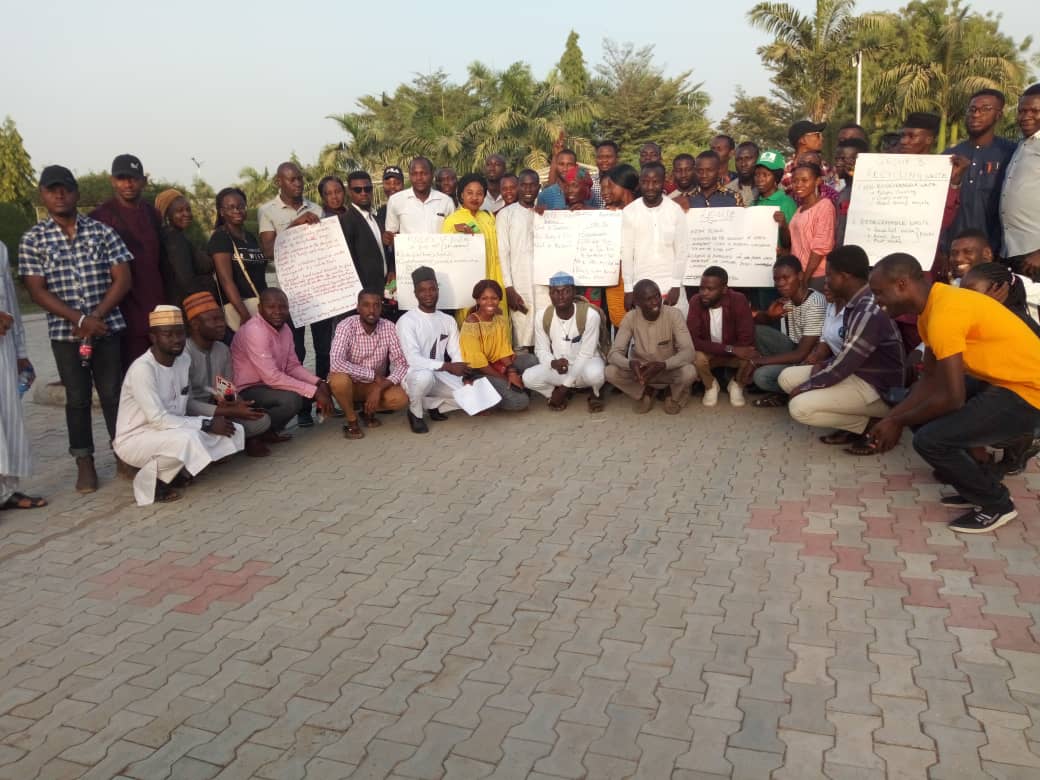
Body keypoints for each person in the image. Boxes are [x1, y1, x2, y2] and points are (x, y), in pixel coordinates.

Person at [867, 253, 1040, 533]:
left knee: (930, 440)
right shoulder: (933, 308)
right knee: (920, 413)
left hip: (1029, 393)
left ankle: (996, 505)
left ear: (901, 284)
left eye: (878, 293)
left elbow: (952, 398)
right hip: (1005, 383)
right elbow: (930, 380)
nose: (877, 301)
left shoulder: (944, 315)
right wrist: (891, 419)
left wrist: (897, 421)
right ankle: (979, 483)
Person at [20, 165, 132, 494]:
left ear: (76, 193)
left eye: (66, 188)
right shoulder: (33, 239)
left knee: (113, 394)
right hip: (65, 334)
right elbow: (37, 290)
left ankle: (124, 452)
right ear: (43, 194)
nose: (60, 195)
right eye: (52, 189)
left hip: (106, 328)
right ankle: (84, 461)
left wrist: (95, 317)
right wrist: (80, 321)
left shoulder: (103, 232)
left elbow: (123, 279)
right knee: (78, 399)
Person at [777, 245, 905, 452]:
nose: (826, 281)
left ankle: (873, 424)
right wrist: (820, 371)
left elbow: (845, 364)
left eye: (829, 275)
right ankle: (860, 423)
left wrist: (810, 385)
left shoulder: (867, 309)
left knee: (799, 406)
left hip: (877, 388)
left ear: (844, 277)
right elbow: (846, 358)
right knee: (786, 378)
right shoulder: (856, 302)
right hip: (859, 373)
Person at [113, 306, 244, 506]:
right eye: (168, 334)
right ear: (153, 337)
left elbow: (185, 403)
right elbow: (158, 420)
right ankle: (151, 482)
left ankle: (173, 473)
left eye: (180, 333)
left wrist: (219, 412)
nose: (176, 340)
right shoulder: (143, 369)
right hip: (136, 438)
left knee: (232, 429)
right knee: (189, 438)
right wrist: (206, 424)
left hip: (173, 428)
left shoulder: (183, 359)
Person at [257, 162, 325, 427]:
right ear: (279, 181)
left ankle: (324, 401)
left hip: (318, 290)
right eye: (291, 179)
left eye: (300, 179)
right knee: (295, 351)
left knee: (324, 349)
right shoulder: (268, 211)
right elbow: (268, 250)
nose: (297, 183)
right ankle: (302, 407)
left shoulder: (316, 209)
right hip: (288, 294)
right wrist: (294, 226)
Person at [90, 154, 164, 366]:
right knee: (131, 371)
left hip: (154, 303)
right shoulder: (100, 217)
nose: (128, 184)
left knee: (159, 368)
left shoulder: (152, 214)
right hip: (122, 309)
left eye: (133, 178)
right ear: (112, 181)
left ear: (144, 181)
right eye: (122, 178)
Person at [231, 288, 333, 437]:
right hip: (249, 389)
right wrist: (314, 391)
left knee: (319, 387)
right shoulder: (255, 331)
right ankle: (258, 434)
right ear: (260, 308)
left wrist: (318, 382)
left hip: (269, 385)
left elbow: (292, 366)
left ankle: (271, 431)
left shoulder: (285, 329)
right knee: (292, 400)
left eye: (283, 307)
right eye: (271, 307)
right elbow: (272, 377)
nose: (278, 312)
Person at [182, 292, 272, 457]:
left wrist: (236, 404)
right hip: (190, 418)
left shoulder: (222, 349)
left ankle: (223, 444)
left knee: (261, 420)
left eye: (222, 319)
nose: (221, 324)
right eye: (214, 320)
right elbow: (187, 405)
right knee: (196, 434)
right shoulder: (183, 354)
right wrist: (228, 412)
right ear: (195, 324)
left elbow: (226, 389)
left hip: (219, 411)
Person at [943, 89, 1017, 255]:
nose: (976, 114)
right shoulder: (949, 156)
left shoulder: (1012, 154)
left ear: (999, 115)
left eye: (985, 109)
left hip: (996, 252)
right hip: (953, 252)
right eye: (972, 109)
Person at [396, 266, 469, 433]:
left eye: (432, 289)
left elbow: (455, 352)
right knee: (425, 377)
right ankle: (415, 413)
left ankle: (433, 404)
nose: (428, 294)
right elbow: (413, 359)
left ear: (437, 290)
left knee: (470, 394)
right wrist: (448, 366)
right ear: (415, 293)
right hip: (413, 374)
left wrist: (462, 373)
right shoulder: (407, 321)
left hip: (439, 373)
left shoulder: (448, 320)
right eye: (422, 290)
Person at [328, 289, 409, 439]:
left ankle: (367, 412)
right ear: (358, 307)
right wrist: (372, 375)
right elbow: (336, 362)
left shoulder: (389, 327)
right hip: (350, 383)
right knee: (338, 381)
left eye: (376, 305)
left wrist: (380, 387)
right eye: (366, 305)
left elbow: (402, 364)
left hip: (373, 385)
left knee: (401, 397)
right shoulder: (345, 326)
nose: (372, 310)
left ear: (381, 307)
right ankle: (352, 421)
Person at [606, 279, 696, 414]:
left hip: (668, 368)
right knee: (610, 372)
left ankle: (671, 393)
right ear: (637, 303)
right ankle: (645, 391)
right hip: (642, 372)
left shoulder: (674, 314)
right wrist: (630, 364)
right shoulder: (630, 317)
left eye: (657, 296)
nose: (655, 302)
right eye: (648, 299)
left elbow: (689, 352)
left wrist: (664, 365)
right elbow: (613, 354)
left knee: (689, 372)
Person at [523, 272, 606, 412]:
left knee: (596, 374)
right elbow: (541, 349)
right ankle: (553, 395)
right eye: (555, 292)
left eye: (566, 291)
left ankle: (595, 393)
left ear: (574, 292)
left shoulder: (590, 315)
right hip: (561, 369)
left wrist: (563, 387)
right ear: (550, 294)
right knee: (528, 377)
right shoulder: (542, 316)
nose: (560, 296)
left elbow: (586, 353)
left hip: (585, 366)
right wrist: (552, 363)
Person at [749, 256, 826, 406]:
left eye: (786, 278)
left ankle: (791, 392)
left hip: (809, 359)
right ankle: (788, 387)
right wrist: (769, 316)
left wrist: (757, 362)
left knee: (761, 377)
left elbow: (801, 354)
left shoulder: (815, 303)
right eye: (776, 279)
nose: (780, 283)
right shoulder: (787, 300)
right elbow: (761, 325)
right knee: (756, 331)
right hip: (794, 349)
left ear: (800, 276)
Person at [1, 253, 44, 511]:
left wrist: (20, 352)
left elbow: (10, 302)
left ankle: (5, 491)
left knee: (7, 419)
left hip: (4, 347)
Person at [444, 174, 509, 340]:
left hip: (493, 276)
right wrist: (457, 234)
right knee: (471, 322)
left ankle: (498, 353)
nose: (474, 197)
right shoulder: (452, 220)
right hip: (467, 282)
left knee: (497, 320)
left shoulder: (488, 217)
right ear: (461, 195)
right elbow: (446, 252)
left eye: (479, 193)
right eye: (469, 193)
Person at [621, 162, 689, 315]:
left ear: (663, 182)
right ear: (639, 182)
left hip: (671, 287)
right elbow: (626, 253)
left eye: (655, 182)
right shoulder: (630, 212)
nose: (650, 187)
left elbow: (682, 251)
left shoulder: (674, 210)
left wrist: (676, 285)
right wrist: (628, 289)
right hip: (641, 288)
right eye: (645, 182)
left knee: (677, 328)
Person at [459, 279, 537, 411]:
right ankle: (487, 400)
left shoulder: (498, 318)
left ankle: (515, 386)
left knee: (531, 360)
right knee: (521, 402)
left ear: (499, 300)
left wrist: (512, 372)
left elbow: (503, 350)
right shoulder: (472, 323)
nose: (490, 302)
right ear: (477, 300)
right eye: (484, 298)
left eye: (494, 298)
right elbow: (480, 364)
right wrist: (506, 378)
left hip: (497, 364)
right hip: (479, 372)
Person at [686, 266, 755, 408]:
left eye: (710, 289)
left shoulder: (738, 300)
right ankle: (710, 386)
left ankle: (736, 385)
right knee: (695, 356)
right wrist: (729, 349)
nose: (704, 293)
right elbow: (693, 340)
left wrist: (732, 351)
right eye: (702, 288)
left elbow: (746, 339)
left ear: (724, 289)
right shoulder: (695, 301)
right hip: (714, 352)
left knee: (750, 353)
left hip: (733, 352)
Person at [208, 187, 268, 332]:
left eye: (241, 206)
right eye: (231, 207)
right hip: (240, 309)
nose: (237, 211)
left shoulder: (250, 237)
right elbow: (226, 280)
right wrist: (244, 314)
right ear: (222, 212)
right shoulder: (221, 238)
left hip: (259, 305)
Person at [498, 169, 544, 350]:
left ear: (539, 187)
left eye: (532, 185)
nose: (528, 189)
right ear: (518, 187)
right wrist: (509, 288)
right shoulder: (506, 214)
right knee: (523, 334)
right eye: (524, 185)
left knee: (544, 329)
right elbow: (503, 253)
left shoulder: (544, 213)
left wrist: (545, 215)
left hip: (543, 285)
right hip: (518, 283)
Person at [999, 83, 1040, 281]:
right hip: (1012, 250)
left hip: (1034, 253)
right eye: (1022, 111)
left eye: (1035, 111)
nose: (1026, 116)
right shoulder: (1023, 144)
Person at [776, 162, 835, 290]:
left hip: (816, 275)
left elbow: (820, 248)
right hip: (799, 274)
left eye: (804, 180)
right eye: (795, 181)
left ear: (817, 181)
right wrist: (783, 224)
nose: (798, 185)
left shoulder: (824, 206)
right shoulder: (799, 209)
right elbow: (792, 243)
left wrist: (805, 279)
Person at [154, 188, 216, 307]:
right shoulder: (173, 238)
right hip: (190, 306)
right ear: (166, 215)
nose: (186, 214)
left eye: (188, 209)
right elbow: (186, 281)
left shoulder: (171, 235)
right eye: (179, 211)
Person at [601, 164, 641, 328]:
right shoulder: (610, 213)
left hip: (637, 277)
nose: (608, 191)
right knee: (619, 324)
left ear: (623, 186)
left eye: (611, 186)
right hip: (615, 279)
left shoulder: (642, 210)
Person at [340, 171, 393, 293]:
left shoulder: (376, 218)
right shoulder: (346, 221)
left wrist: (390, 270)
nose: (363, 193)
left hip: (386, 287)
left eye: (367, 189)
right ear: (349, 192)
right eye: (357, 190)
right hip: (366, 293)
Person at [961, 263, 1040, 339]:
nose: (963, 297)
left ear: (998, 290)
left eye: (971, 292)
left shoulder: (1015, 323)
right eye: (961, 292)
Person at [385, 157, 456, 239]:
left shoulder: (446, 202)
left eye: (424, 173)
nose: (419, 178)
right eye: (414, 174)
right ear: (410, 176)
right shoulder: (395, 201)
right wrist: (388, 238)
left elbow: (453, 233)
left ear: (432, 175)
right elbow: (391, 233)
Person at [754, 151, 797, 248]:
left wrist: (783, 226)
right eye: (756, 175)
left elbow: (793, 243)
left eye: (765, 175)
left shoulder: (787, 203)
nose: (759, 179)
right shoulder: (754, 203)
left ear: (776, 177)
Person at [833, 138, 869, 246]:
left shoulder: (869, 192)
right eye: (837, 159)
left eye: (843, 159)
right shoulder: (842, 192)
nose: (838, 164)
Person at [783, 121, 831, 194]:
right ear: (803, 140)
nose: (822, 138)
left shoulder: (825, 166)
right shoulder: (788, 171)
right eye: (818, 135)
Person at [590, 140, 620, 208]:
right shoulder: (589, 182)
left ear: (617, 159)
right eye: (600, 157)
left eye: (608, 157)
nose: (604, 160)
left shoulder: (623, 183)